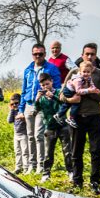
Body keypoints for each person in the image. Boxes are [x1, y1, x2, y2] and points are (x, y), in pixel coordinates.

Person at [61, 43, 100, 195]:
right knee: (76, 152)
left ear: (96, 56)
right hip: (77, 118)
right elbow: (62, 94)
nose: (89, 56)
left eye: (92, 54)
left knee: (96, 151)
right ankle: (77, 182)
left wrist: (86, 90)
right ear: (82, 55)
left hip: (94, 117)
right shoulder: (74, 72)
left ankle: (95, 181)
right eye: (87, 54)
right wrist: (71, 100)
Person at [20, 43, 61, 174]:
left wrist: (51, 98)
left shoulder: (51, 68)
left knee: (39, 135)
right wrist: (21, 109)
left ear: (45, 54)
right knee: (30, 136)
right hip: (29, 104)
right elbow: (24, 89)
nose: (38, 56)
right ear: (32, 55)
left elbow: (58, 88)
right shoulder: (28, 69)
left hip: (43, 105)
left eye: (41, 54)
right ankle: (32, 165)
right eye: (35, 54)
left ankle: (41, 165)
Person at [34, 73, 72, 183]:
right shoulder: (41, 97)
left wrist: (53, 96)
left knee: (67, 151)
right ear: (40, 85)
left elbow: (64, 103)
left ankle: (70, 172)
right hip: (49, 127)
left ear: (51, 82)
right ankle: (46, 173)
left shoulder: (59, 92)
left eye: (47, 84)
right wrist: (37, 100)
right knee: (48, 152)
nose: (46, 87)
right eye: (43, 85)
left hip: (62, 125)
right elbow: (36, 110)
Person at [55, 60, 100, 129]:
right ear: (80, 71)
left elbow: (91, 84)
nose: (86, 74)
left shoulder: (88, 78)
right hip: (68, 90)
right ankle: (71, 118)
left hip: (74, 90)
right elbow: (78, 91)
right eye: (84, 72)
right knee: (76, 103)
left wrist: (94, 89)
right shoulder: (78, 80)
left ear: (91, 72)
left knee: (67, 104)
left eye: (88, 72)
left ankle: (59, 114)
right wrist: (89, 90)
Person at [7, 93, 29, 174]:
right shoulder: (13, 111)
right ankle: (18, 167)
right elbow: (9, 120)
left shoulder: (23, 110)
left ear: (20, 102)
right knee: (17, 151)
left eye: (16, 103)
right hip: (16, 134)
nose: (15, 105)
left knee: (25, 152)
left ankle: (26, 167)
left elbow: (29, 122)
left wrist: (23, 118)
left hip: (24, 134)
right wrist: (11, 109)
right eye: (12, 103)